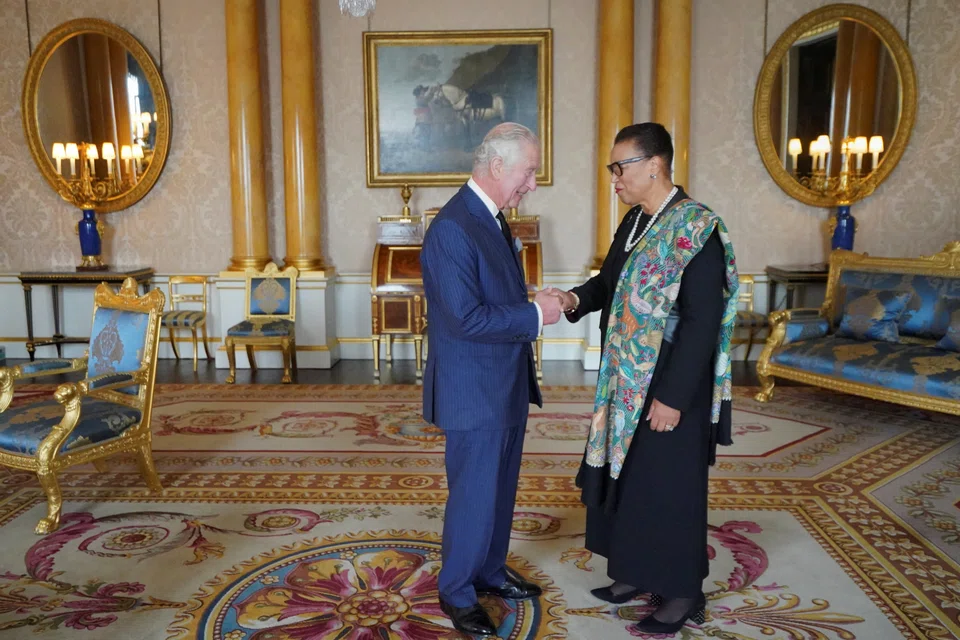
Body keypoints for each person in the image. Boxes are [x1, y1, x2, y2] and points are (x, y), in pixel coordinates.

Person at [556, 122, 739, 635]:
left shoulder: (695, 228)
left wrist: (673, 397)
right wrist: (573, 299)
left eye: (620, 167)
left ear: (653, 165)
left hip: (671, 382)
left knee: (669, 487)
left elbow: (703, 321)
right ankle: (636, 573)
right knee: (632, 477)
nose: (613, 178)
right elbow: (609, 281)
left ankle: (682, 592)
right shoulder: (636, 221)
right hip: (626, 379)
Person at [420, 122, 564, 637]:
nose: (532, 183)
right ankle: (457, 592)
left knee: (500, 489)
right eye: (528, 171)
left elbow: (491, 295)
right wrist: (534, 313)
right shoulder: (454, 226)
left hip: (503, 380)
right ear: (498, 166)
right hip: (473, 389)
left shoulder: (492, 218)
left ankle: (489, 571)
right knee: (475, 493)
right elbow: (465, 319)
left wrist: (529, 300)